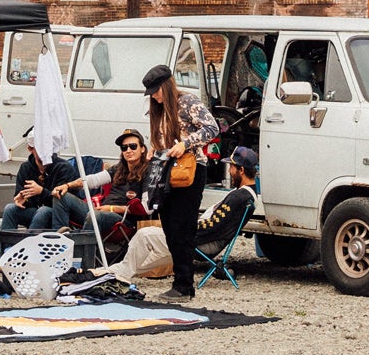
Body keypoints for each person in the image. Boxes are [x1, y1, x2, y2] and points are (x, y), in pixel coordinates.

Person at [105, 147, 258, 290]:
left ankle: (115, 273)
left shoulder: (239, 197)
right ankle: (109, 272)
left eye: (231, 167)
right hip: (200, 239)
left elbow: (212, 226)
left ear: (241, 170)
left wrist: (180, 228)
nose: (229, 171)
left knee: (144, 235)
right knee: (145, 258)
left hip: (199, 242)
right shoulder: (247, 195)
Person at [144, 64, 222, 300]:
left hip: (190, 168)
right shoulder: (158, 110)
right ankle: (180, 281)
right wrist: (153, 150)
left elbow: (212, 127)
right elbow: (160, 138)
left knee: (182, 226)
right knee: (168, 224)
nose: (154, 97)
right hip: (167, 171)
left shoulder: (188, 102)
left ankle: (184, 284)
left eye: (156, 91)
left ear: (166, 87)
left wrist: (185, 144)